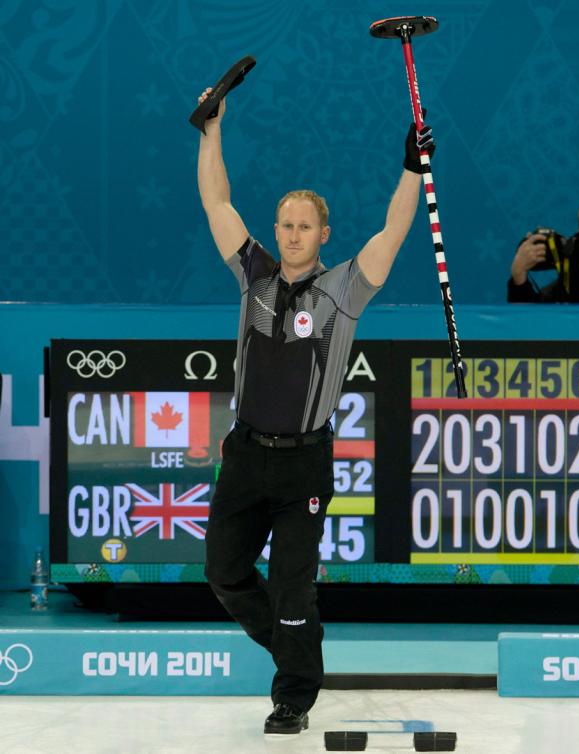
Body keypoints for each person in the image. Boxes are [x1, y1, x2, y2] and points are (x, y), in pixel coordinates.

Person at [196, 86, 432, 736]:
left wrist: (412, 171)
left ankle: (292, 698)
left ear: (323, 234)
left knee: (295, 589)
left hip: (305, 465)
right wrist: (209, 131)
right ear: (275, 232)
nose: (294, 235)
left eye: (305, 226)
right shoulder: (254, 275)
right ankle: (296, 649)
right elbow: (217, 201)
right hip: (244, 456)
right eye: (286, 225)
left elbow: (393, 231)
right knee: (223, 572)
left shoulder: (344, 291)